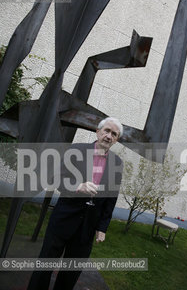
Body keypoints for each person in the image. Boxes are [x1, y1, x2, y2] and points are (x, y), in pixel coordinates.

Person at [27, 117, 123, 290]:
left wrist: (102, 227)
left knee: (71, 273)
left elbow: (111, 197)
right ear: (98, 131)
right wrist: (79, 186)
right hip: (63, 219)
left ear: (116, 140)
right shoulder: (77, 150)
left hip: (87, 227)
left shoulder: (117, 163)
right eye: (106, 131)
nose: (109, 136)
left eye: (114, 134)